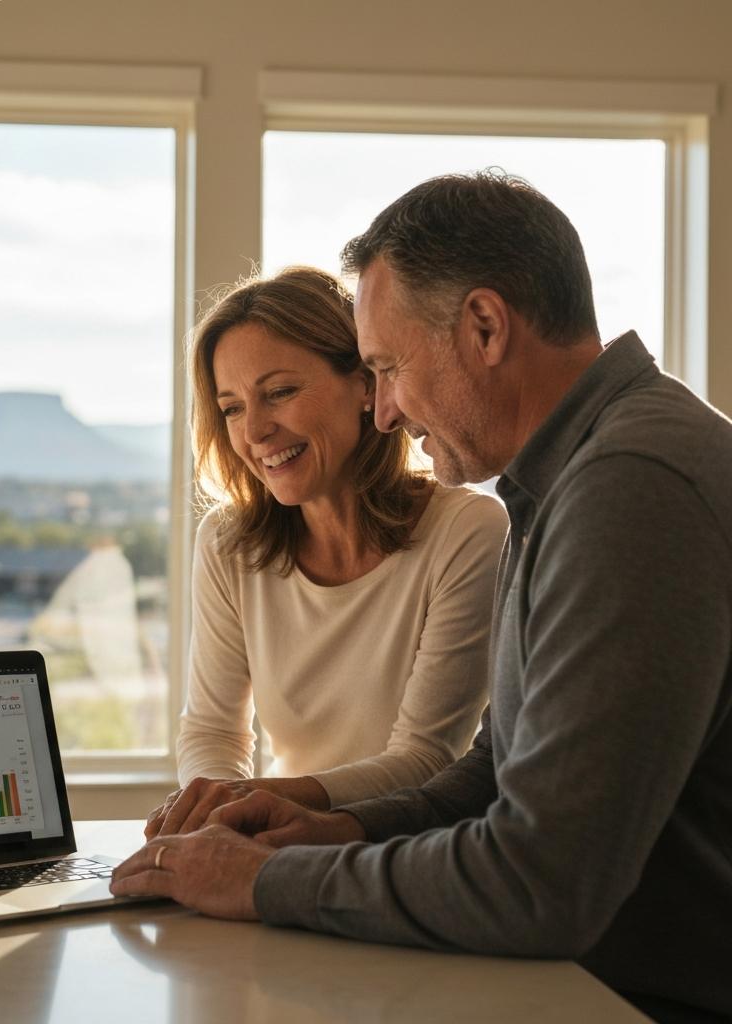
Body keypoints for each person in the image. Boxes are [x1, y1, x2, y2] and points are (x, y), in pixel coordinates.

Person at [112, 172, 732, 1024]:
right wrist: (340, 827)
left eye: (391, 367)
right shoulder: (568, 481)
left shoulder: (630, 485)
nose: (389, 409)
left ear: (483, 326)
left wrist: (267, 879)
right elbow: (496, 767)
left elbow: (539, 882)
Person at [147, 266, 507, 837]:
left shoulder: (467, 531)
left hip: (411, 853)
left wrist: (256, 798)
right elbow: (214, 732)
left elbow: (425, 760)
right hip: (275, 846)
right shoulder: (227, 542)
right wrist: (218, 812)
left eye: (280, 393)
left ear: (366, 384)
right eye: (233, 407)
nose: (255, 432)